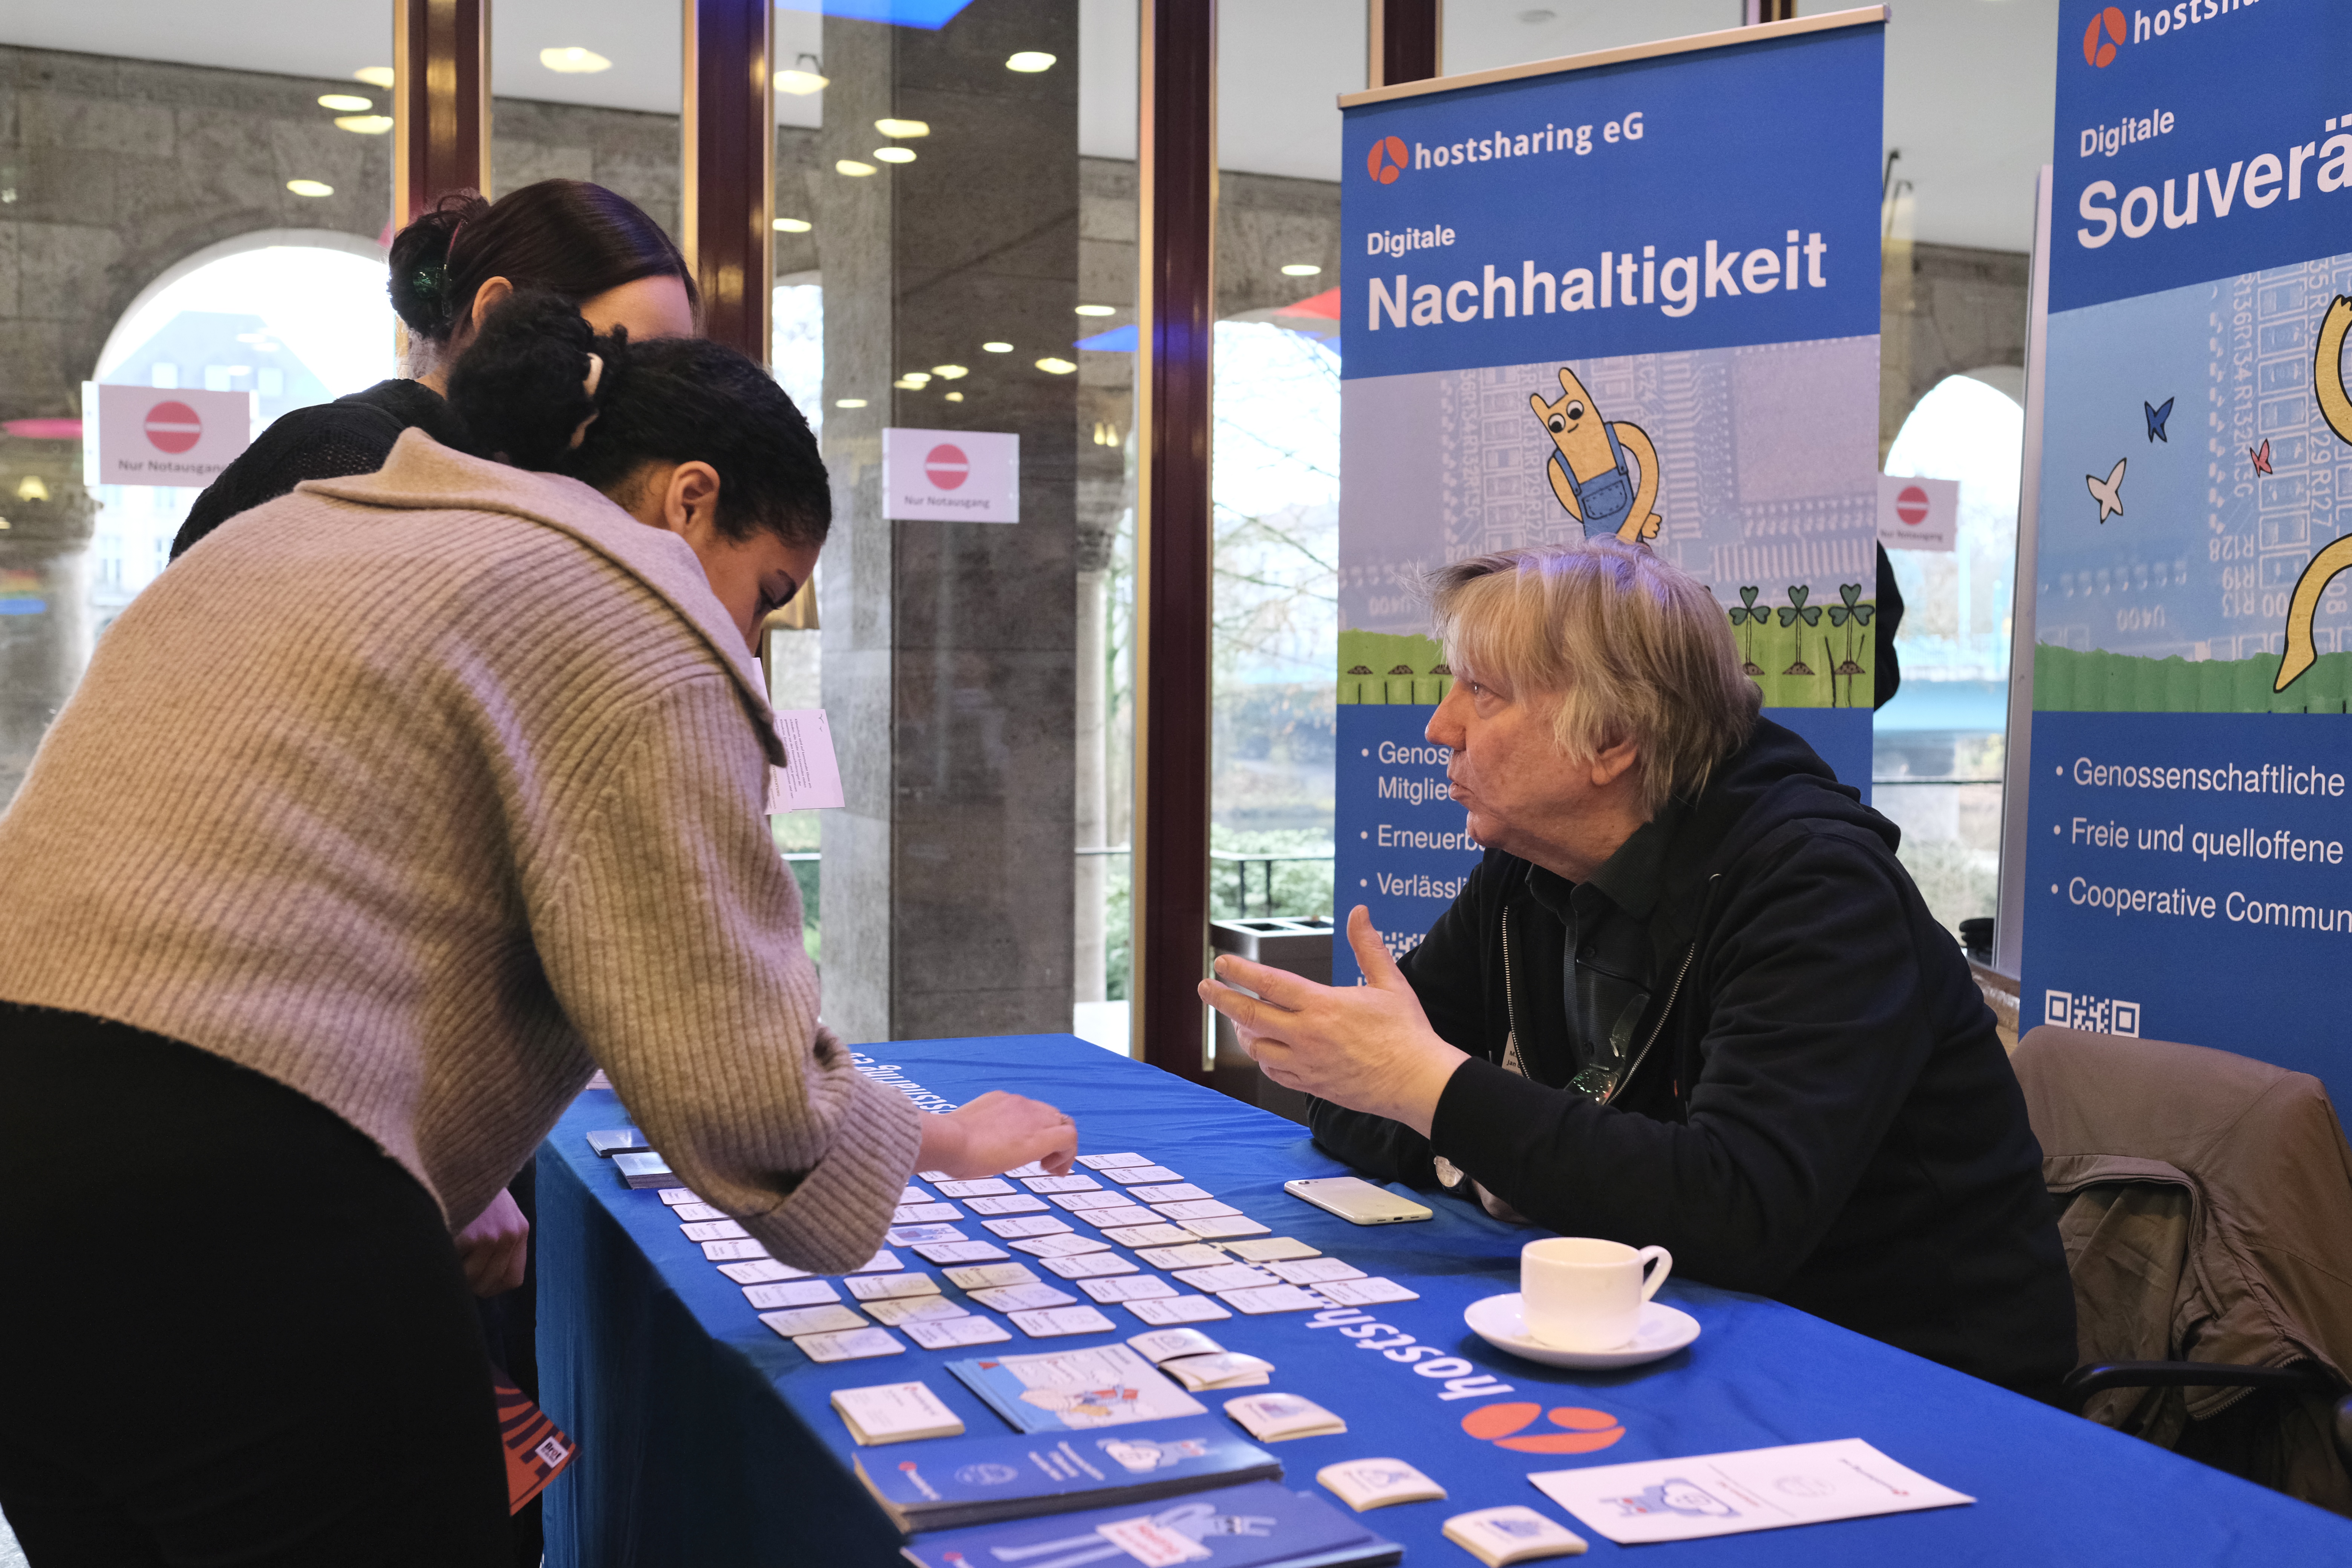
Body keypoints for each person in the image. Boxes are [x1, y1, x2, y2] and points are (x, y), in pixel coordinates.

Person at [0, 293, 1079, 1566]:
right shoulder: (633, 608)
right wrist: (934, 1144)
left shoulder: (293, 536)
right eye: (767, 592)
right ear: (690, 502)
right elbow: (729, 1071)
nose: (750, 639)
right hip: (250, 1218)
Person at [1200, 541, 2075, 1397]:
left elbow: (1737, 1211)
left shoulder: (1819, 891)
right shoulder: (1531, 866)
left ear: (1612, 738)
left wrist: (1436, 1094)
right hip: (1670, 1331)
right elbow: (1352, 1095)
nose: (1440, 727)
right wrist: (1459, 1138)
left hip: (1909, 1383)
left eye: (1482, 692)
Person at [168, 179, 698, 560]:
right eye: (618, 352)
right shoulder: (349, 457)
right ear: (494, 315)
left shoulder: (522, 481)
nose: (641, 396)